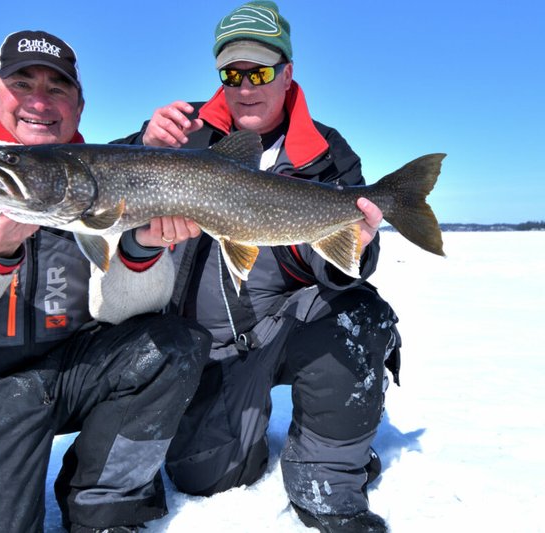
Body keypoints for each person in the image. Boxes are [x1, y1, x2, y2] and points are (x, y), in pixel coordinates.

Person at [0, 30, 210, 533]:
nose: (39, 101)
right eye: (22, 83)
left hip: (64, 372)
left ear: (79, 106)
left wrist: (142, 250)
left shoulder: (104, 178)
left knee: (171, 345)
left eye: (57, 88)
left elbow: (125, 314)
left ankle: (106, 507)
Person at [116, 3, 401, 531]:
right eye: (232, 73)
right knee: (210, 474)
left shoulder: (329, 154)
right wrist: (142, 145)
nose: (246, 86)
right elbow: (106, 180)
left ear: (287, 72)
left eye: (261, 72)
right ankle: (236, 433)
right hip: (203, 345)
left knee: (359, 313)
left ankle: (330, 477)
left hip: (286, 326)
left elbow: (343, 269)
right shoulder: (180, 135)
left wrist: (356, 246)